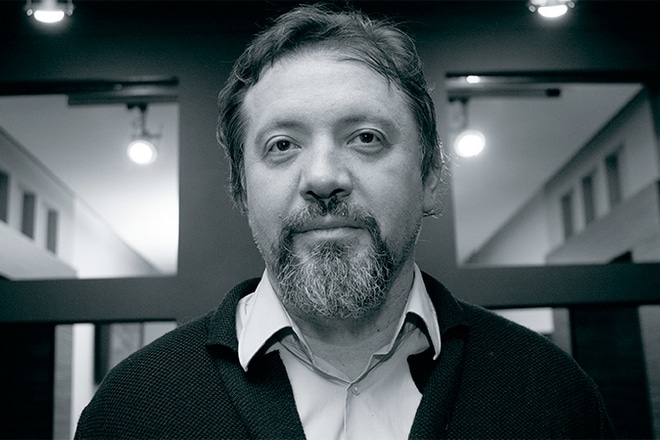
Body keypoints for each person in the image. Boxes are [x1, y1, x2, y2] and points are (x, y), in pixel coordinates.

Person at [75, 4, 614, 439]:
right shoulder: (131, 412)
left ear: (430, 175)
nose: (323, 177)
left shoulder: (553, 398)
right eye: (282, 145)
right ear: (241, 189)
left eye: (366, 138)